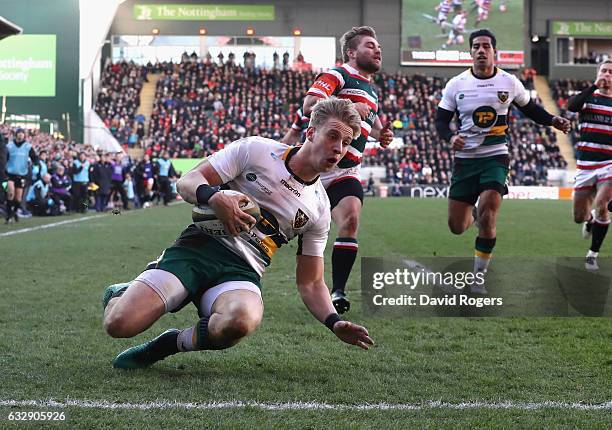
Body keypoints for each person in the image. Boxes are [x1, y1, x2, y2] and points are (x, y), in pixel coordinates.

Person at [102, 98, 373, 370]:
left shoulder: (319, 208)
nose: (338, 149)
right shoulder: (257, 150)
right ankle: (122, 292)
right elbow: (187, 181)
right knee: (119, 324)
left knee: (242, 320)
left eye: (346, 143)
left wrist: (334, 321)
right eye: (333, 136)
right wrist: (214, 197)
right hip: (196, 249)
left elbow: (311, 283)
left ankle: (166, 344)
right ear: (312, 133)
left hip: (241, 271)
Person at [435, 29, 570, 293]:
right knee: (457, 227)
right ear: (471, 52)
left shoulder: (509, 82)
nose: (481, 50)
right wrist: (450, 138)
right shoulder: (456, 84)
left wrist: (553, 120)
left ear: (494, 51)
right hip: (464, 161)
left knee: (489, 214)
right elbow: (440, 120)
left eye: (486, 46)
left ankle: (478, 279)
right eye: (476, 46)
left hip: (495, 156)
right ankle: (473, 213)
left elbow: (531, 109)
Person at [282, 26, 394, 313]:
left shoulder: (371, 90)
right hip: (313, 171)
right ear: (351, 52)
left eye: (378, 45)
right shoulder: (337, 75)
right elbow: (309, 105)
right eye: (370, 46)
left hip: (345, 171)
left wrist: (382, 135)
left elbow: (373, 122)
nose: (378, 50)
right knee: (288, 230)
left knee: (351, 219)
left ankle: (338, 292)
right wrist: (351, 105)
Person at [568, 60, 612, 270]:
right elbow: (571, 106)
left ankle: (592, 254)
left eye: (611, 72)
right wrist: (594, 85)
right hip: (586, 164)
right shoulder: (588, 96)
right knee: (578, 217)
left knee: (603, 205)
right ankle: (589, 219)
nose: (607, 75)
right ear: (597, 73)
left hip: (609, 163)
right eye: (604, 71)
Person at [5, 128, 38, 224]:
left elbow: (34, 157)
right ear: (16, 135)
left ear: (24, 135)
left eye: (22, 133)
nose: (20, 135)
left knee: (18, 198)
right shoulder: (9, 146)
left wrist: (36, 164)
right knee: (10, 193)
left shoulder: (28, 146)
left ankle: (14, 212)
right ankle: (8, 216)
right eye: (18, 133)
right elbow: (4, 158)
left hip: (22, 174)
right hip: (10, 173)